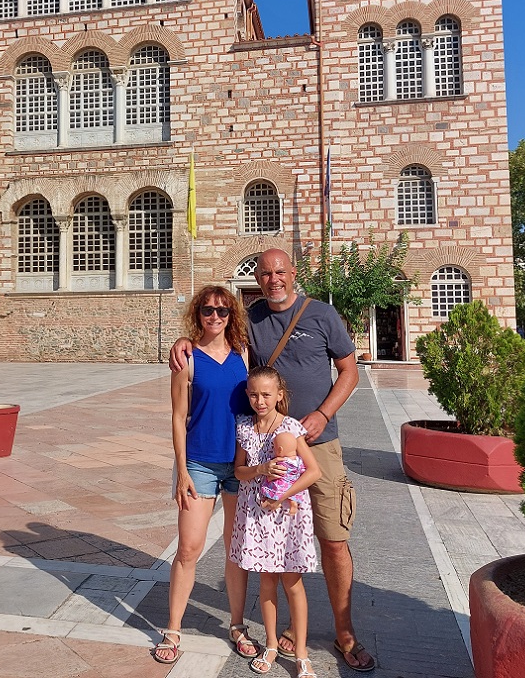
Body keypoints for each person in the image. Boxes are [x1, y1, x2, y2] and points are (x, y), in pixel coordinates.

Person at [170, 248, 375, 672]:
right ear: (258, 278)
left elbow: (350, 370)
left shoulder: (321, 314)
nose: (273, 279)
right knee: (272, 543)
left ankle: (344, 631)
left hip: (319, 443)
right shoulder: (251, 318)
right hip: (266, 450)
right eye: (265, 273)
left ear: (293, 273)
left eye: (281, 271)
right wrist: (185, 340)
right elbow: (216, 339)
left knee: (334, 541)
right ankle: (274, 632)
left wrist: (322, 414)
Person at [154, 285, 258, 665]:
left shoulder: (244, 354)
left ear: (232, 315)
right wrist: (181, 471)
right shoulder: (187, 359)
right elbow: (178, 418)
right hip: (198, 463)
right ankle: (173, 628)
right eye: (208, 311)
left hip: (239, 464)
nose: (215, 317)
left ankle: (236, 625)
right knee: (188, 548)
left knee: (236, 549)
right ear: (197, 314)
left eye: (223, 311)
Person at [230, 366, 320, 676]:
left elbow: (313, 471)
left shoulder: (291, 428)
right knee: (266, 581)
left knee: (292, 582)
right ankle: (270, 644)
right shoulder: (245, 428)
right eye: (254, 394)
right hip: (256, 515)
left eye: (267, 394)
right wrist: (261, 469)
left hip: (287, 515)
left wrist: (283, 496)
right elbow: (238, 471)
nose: (260, 400)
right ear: (247, 395)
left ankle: (302, 653)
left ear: (279, 395)